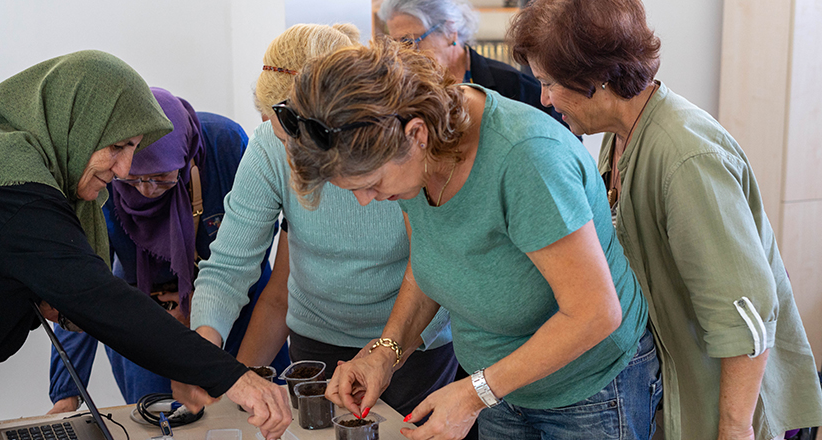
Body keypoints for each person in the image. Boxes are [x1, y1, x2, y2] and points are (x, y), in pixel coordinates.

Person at [283, 38, 660, 440]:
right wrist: (386, 353)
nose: (364, 201)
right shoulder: (415, 157)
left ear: (416, 134)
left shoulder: (526, 158)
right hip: (501, 387)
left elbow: (596, 313)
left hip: (588, 391)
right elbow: (430, 260)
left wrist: (474, 394)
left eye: (371, 184)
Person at [507, 1, 822, 439]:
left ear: (596, 79)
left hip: (730, 406)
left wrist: (734, 428)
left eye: (549, 83)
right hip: (678, 385)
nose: (543, 98)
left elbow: (745, 309)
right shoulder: (622, 135)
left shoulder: (685, 157)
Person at [0, 50, 290, 439]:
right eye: (116, 147)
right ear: (76, 124)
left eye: (135, 150)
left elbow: (74, 292)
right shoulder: (16, 192)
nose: (126, 170)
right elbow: (96, 297)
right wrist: (233, 377)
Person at [187, 23, 459, 418]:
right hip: (315, 341)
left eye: (301, 142)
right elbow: (229, 265)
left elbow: (432, 265)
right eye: (282, 140)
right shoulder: (268, 148)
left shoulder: (398, 146)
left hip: (412, 344)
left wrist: (388, 349)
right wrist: (203, 354)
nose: (295, 160)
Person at [47, 87, 289, 413]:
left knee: (264, 411)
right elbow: (82, 289)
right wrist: (67, 392)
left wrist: (194, 308)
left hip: (240, 303)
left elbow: (254, 243)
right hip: (146, 318)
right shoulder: (103, 183)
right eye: (134, 180)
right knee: (159, 419)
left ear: (186, 158)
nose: (147, 191)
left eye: (162, 177)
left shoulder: (224, 144)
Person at [377, 0, 566, 128]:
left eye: (409, 41)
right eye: (396, 44)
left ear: (450, 31)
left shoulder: (512, 85)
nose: (403, 53)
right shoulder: (401, 91)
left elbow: (565, 138)